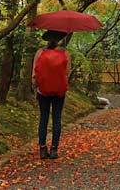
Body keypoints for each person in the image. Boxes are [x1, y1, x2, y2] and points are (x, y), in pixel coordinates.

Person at [32, 30, 71, 159]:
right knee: (56, 119)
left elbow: (34, 74)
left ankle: (42, 149)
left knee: (43, 118)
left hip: (42, 91)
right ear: (59, 39)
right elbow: (67, 73)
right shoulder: (65, 53)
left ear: (47, 39)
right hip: (59, 91)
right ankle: (54, 149)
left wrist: (34, 88)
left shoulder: (40, 52)